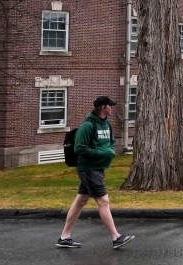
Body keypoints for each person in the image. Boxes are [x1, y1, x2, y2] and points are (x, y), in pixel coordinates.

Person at [57, 96, 134, 250]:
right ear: (102, 107)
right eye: (110, 106)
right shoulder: (88, 125)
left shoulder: (106, 124)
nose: (112, 108)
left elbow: (111, 143)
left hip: (98, 168)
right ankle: (116, 237)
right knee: (103, 201)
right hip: (88, 168)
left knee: (81, 201)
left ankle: (64, 237)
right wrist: (103, 153)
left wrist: (110, 150)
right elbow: (79, 148)